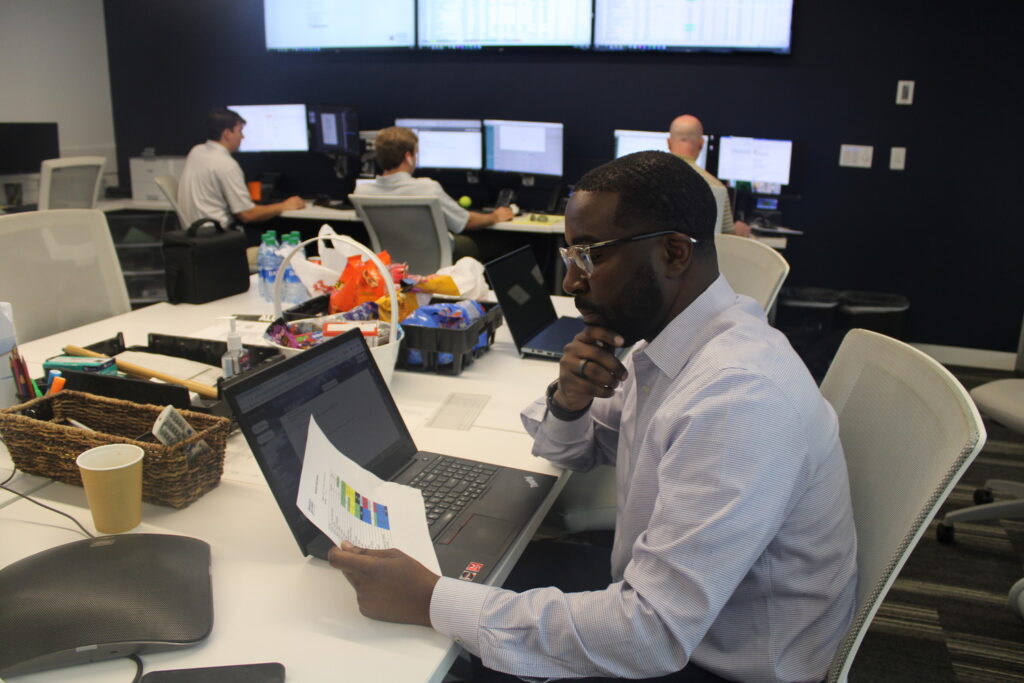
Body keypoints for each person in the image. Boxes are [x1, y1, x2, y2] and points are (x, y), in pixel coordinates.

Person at [329, 151, 858, 682]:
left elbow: (650, 634)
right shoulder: (677, 344)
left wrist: (428, 600)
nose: (570, 282)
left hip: (712, 662)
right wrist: (571, 398)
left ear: (674, 253)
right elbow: (572, 450)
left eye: (589, 257)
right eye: (570, 256)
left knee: (424, 656)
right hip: (678, 617)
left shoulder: (737, 395)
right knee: (476, 578)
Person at [353, 126, 515, 262]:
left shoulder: (362, 192)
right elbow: (466, 222)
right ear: (408, 157)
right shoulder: (428, 188)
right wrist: (495, 216)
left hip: (388, 260)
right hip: (437, 258)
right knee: (501, 243)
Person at [177, 107, 304, 229]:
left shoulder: (196, 151)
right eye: (240, 131)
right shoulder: (226, 164)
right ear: (227, 134)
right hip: (216, 236)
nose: (242, 137)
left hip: (194, 233)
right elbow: (247, 215)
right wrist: (284, 205)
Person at [667, 115, 752, 237]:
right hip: (696, 255)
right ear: (701, 144)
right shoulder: (716, 186)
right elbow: (727, 238)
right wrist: (739, 232)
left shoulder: (646, 178)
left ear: (668, 142)